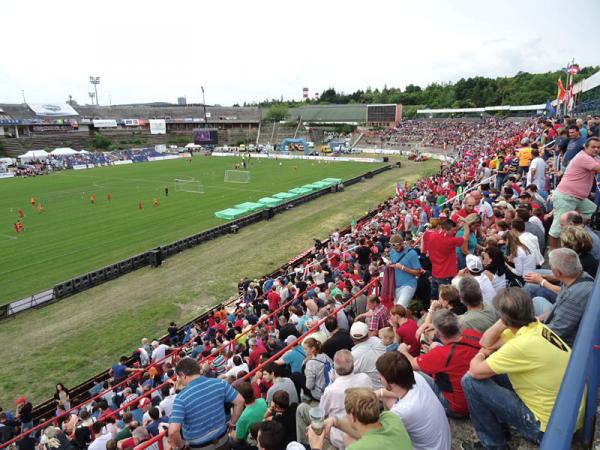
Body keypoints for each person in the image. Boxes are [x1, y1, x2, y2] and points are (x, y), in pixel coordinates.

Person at [461, 288, 585, 450]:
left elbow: (476, 369)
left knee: (470, 381)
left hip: (548, 429)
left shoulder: (520, 345)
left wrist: (481, 354)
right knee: (492, 368)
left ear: (504, 319)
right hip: (568, 416)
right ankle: (500, 429)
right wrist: (500, 327)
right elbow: (486, 341)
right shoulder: (537, 327)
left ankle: (493, 446)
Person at [399, 309, 481, 418]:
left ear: (437, 333)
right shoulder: (472, 334)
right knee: (434, 346)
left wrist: (403, 350)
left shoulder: (442, 355)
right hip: (474, 397)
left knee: (413, 373)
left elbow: (411, 364)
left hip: (455, 408)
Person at [296, 349, 372, 447]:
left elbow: (321, 414)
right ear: (353, 365)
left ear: (335, 368)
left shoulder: (331, 390)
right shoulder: (364, 378)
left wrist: (334, 381)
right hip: (361, 429)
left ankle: (305, 445)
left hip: (339, 437)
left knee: (302, 408)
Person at [376, 352, 451, 450]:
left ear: (391, 382)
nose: (378, 378)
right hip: (442, 443)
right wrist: (379, 393)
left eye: (381, 376)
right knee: (387, 398)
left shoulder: (402, 411)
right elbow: (397, 392)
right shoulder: (415, 376)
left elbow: (378, 438)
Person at [168, 357, 244, 450]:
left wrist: (181, 447)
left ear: (183, 375)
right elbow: (240, 401)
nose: (179, 379)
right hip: (223, 440)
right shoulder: (219, 383)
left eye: (179, 377)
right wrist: (232, 422)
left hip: (199, 447)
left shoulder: (180, 398)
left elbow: (173, 431)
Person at [526, 248, 594, 347]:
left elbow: (556, 332)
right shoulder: (581, 276)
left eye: (551, 267)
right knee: (538, 300)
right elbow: (556, 305)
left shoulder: (572, 297)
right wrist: (536, 319)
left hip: (567, 344)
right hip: (561, 320)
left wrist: (527, 330)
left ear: (557, 272)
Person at [306, 388, 411, 450]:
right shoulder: (392, 418)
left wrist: (316, 446)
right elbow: (365, 433)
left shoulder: (357, 448)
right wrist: (334, 421)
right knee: (347, 437)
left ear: (352, 417)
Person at [549, 137, 600, 250]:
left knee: (591, 209)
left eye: (598, 147)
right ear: (585, 147)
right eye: (593, 147)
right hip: (566, 196)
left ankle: (573, 230)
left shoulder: (594, 157)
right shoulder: (583, 157)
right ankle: (552, 252)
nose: (596, 149)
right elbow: (598, 168)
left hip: (577, 197)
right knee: (557, 226)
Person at [426, 219, 469, 299]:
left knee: (434, 298)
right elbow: (465, 237)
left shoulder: (432, 235)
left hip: (435, 274)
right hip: (446, 275)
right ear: (445, 230)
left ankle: (432, 311)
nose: (455, 233)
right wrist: (466, 225)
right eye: (453, 231)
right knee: (447, 300)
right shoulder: (450, 241)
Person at [230, 382, 267, 449]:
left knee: (229, 441)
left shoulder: (242, 418)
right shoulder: (262, 400)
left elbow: (238, 439)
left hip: (254, 443)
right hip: (266, 435)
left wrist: (230, 432)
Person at [349, 321, 386, 390]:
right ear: (368, 334)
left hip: (374, 392)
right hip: (389, 385)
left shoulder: (353, 355)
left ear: (351, 337)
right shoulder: (378, 340)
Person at [388, 234, 421, 307]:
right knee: (400, 312)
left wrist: (403, 267)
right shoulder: (392, 253)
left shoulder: (412, 253)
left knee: (399, 310)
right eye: (393, 246)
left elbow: (418, 272)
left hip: (409, 285)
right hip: (396, 286)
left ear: (402, 243)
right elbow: (395, 266)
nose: (395, 248)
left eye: (397, 246)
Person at [302, 338, 333, 402]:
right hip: (331, 388)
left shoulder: (310, 364)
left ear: (313, 349)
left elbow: (309, 386)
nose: (304, 351)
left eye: (305, 349)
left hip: (320, 394)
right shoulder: (325, 356)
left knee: (296, 376)